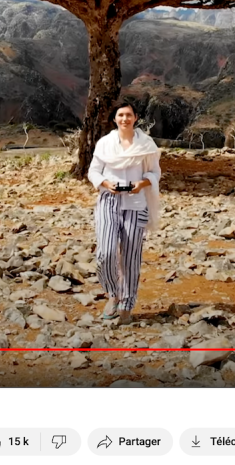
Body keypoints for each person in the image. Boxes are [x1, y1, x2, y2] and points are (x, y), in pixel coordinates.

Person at [88, 102, 161, 326]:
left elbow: (155, 171)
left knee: (131, 258)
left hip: (136, 202)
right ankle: (113, 294)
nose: (124, 119)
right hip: (109, 201)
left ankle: (127, 304)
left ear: (136, 118)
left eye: (129, 115)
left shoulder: (146, 144)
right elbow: (93, 170)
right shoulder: (105, 143)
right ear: (114, 119)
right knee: (106, 253)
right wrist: (104, 183)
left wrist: (143, 183)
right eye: (120, 115)